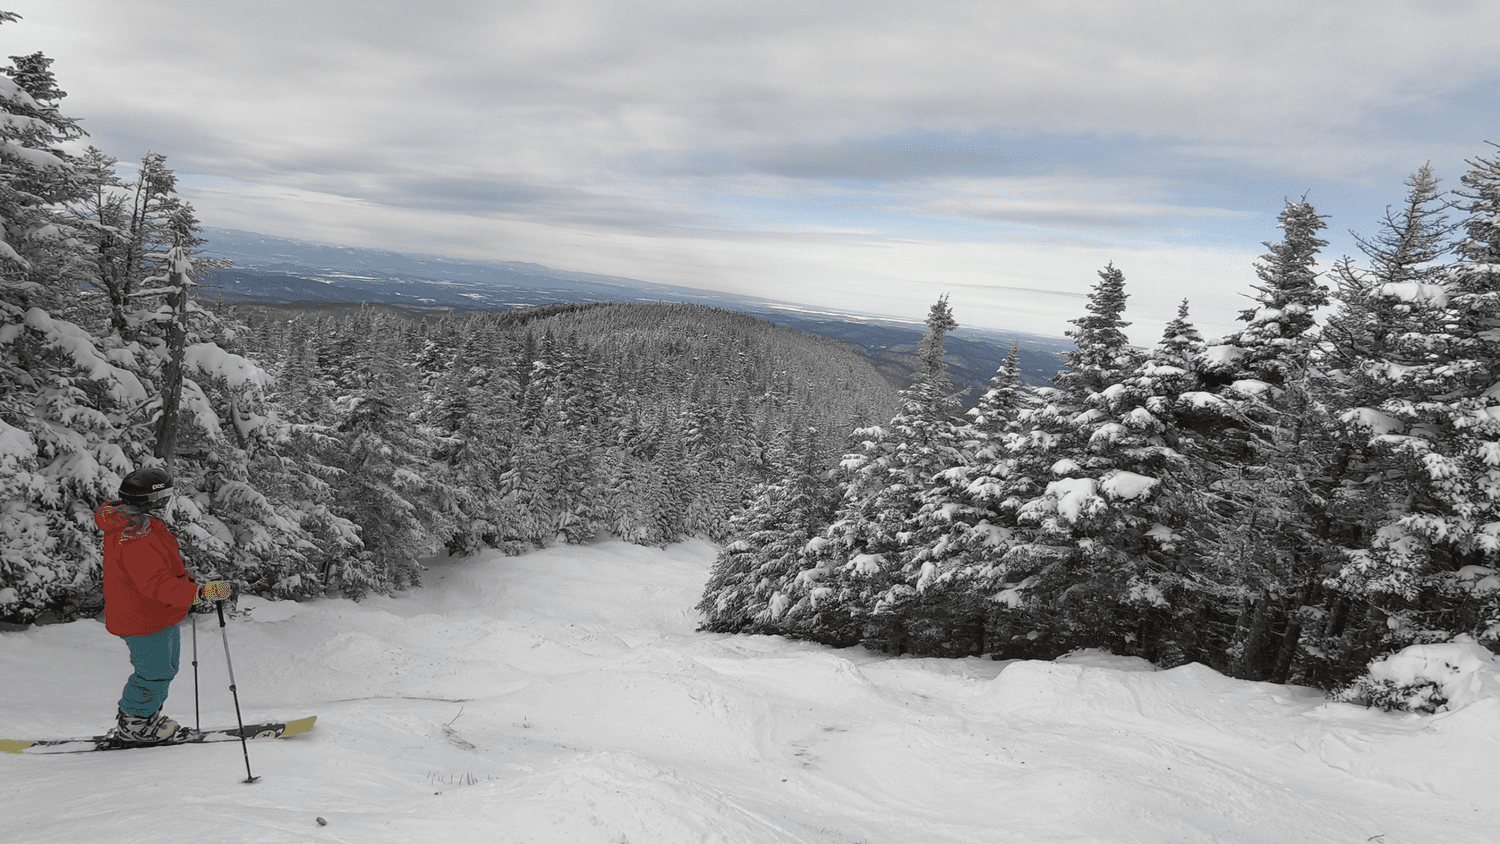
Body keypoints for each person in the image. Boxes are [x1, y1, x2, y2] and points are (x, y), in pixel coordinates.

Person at [95, 467, 230, 744]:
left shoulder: (137, 523)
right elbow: (157, 587)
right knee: (153, 673)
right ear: (153, 499)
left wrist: (183, 577)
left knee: (164, 669)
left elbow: (156, 572)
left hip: (156, 614)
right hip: (143, 618)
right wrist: (202, 593)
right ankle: (134, 724)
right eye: (166, 495)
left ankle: (147, 720)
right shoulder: (135, 536)